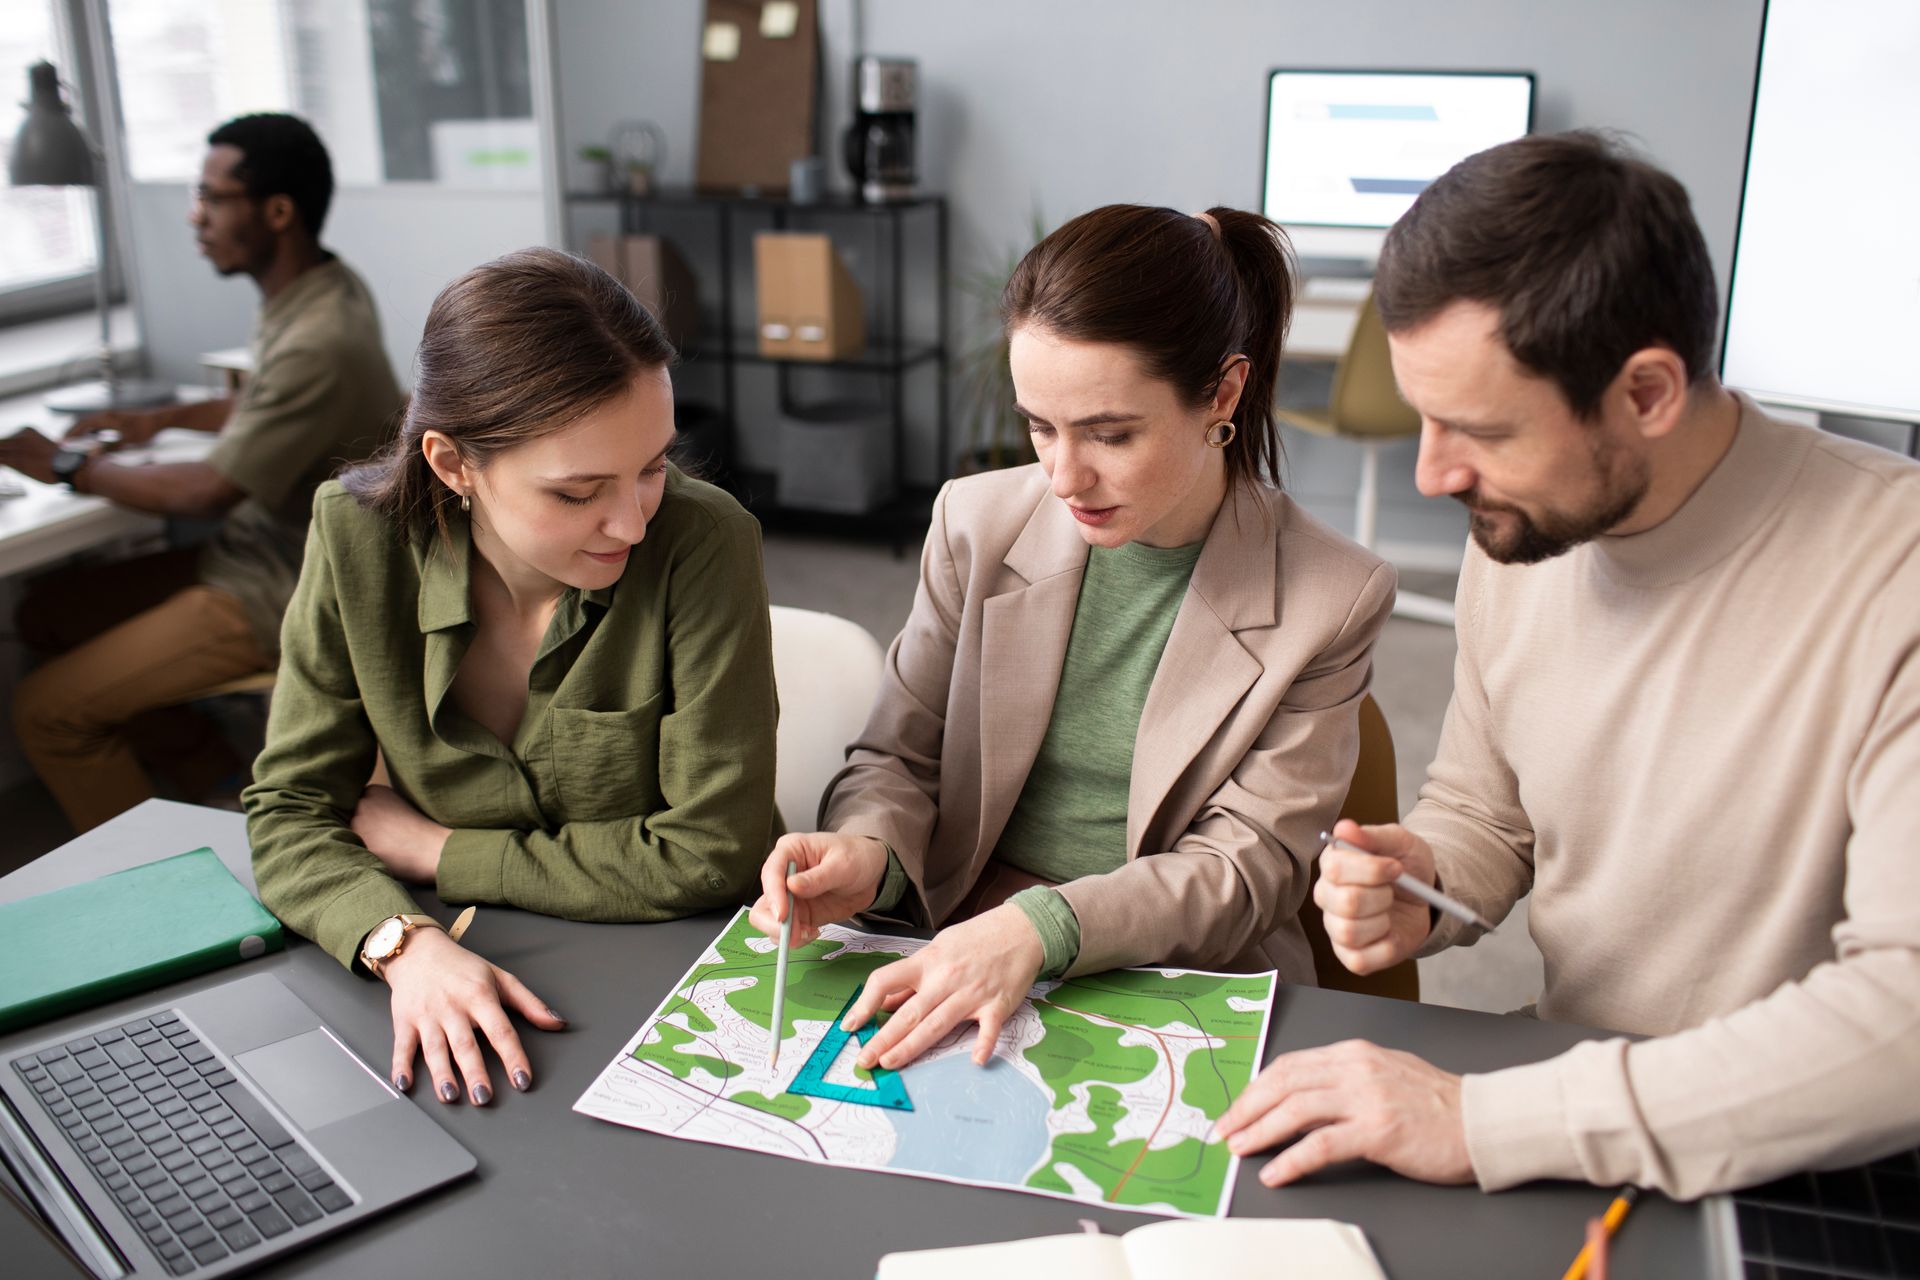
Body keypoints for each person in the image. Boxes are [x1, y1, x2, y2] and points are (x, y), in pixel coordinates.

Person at [1213, 131, 1920, 1199]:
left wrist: (1482, 1118)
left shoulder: (1892, 578)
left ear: (1646, 393)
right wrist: (1431, 876)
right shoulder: (1525, 523)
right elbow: (1488, 811)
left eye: (1478, 428)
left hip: (1817, 1154)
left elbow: (1899, 1023)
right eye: (1424, 415)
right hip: (1571, 1088)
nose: (1435, 471)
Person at [751, 204, 1396, 1074]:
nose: (1064, 476)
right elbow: (896, 761)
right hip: (961, 927)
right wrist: (871, 853)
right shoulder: (974, 522)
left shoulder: (1332, 594)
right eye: (1039, 426)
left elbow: (1247, 870)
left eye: (1110, 433)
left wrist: (1042, 926)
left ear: (1224, 394)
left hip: (1169, 965)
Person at [244, 247, 781, 1108]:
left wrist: (437, 849)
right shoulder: (353, 537)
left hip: (675, 975)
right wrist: (400, 942)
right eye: (578, 493)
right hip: (448, 960)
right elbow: (290, 808)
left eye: (652, 467)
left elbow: (714, 855)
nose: (633, 522)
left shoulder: (704, 540)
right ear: (454, 464)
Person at [1, 113, 404, 833]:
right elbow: (268, 401)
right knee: (45, 611)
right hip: (253, 553)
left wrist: (64, 464)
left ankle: (164, 880)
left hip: (281, 583)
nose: (196, 216)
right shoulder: (322, 288)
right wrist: (155, 423)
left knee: (46, 711)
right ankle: (210, 773)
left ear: (277, 211)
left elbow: (205, 492)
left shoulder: (319, 337)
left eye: (212, 198)